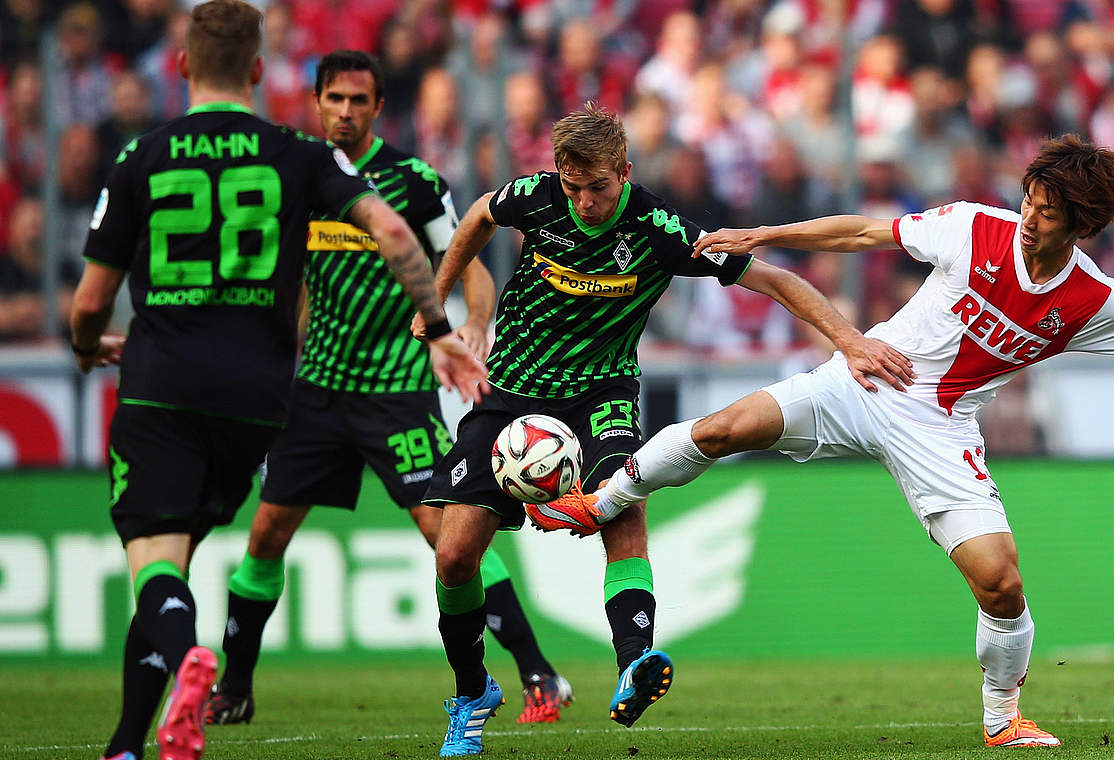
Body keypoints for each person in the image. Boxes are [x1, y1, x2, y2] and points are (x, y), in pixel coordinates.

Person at [541, 134, 1114, 748]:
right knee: (720, 428)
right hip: (867, 375)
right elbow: (864, 230)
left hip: (941, 427)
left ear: (1082, 225)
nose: (1029, 218)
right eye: (1029, 201)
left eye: (1047, 212)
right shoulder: (975, 227)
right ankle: (598, 500)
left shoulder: (1094, 298)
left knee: (1001, 583)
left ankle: (1003, 720)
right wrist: (764, 234)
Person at [414, 102, 912, 756]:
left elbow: (774, 278)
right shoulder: (535, 198)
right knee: (454, 556)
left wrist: (848, 340)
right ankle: (474, 689)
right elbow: (478, 213)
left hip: (602, 395)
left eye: (598, 187)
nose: (585, 202)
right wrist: (435, 306)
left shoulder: (657, 229)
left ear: (625, 170)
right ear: (557, 175)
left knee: (624, 514)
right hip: (510, 390)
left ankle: (633, 664)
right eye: (573, 188)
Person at [70, 4, 486, 760]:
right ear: (260, 71)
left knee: (160, 563)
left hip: (162, 383)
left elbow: (92, 302)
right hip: (261, 396)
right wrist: (443, 328)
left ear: (184, 65)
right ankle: (130, 742)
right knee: (234, 538)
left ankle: (192, 656)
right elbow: (395, 233)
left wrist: (81, 344)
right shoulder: (296, 154)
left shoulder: (142, 155)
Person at [205, 50, 572, 729]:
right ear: (317, 102)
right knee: (264, 536)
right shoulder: (297, 176)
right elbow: (301, 287)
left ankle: (537, 672)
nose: (345, 111)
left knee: (452, 539)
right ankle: (235, 687)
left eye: (358, 100)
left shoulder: (414, 183)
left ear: (377, 108)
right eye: (334, 99)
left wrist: (478, 322)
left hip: (396, 390)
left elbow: (468, 265)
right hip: (314, 393)